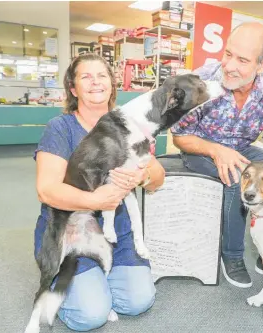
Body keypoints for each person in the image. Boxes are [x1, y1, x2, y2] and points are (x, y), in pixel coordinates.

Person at [171, 22, 263, 289]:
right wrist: (216, 150)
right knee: (237, 177)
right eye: (228, 54)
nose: (229, 65)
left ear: (262, 65)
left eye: (242, 60)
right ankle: (232, 255)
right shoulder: (202, 79)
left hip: (242, 148)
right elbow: (179, 136)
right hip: (200, 147)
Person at [33, 53, 166, 331]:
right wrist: (93, 200)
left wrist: (141, 175)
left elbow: (158, 178)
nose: (96, 82)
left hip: (116, 229)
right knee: (90, 315)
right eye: (86, 77)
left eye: (102, 76)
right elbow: (47, 190)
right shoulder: (60, 128)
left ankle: (96, 282)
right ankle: (63, 286)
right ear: (73, 88)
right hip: (71, 231)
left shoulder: (127, 125)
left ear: (112, 84)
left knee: (138, 301)